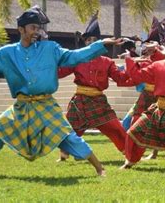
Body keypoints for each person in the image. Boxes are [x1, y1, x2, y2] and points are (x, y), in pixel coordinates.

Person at [0, 7, 124, 177]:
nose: (37, 31)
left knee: (69, 137)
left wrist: (100, 45)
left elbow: (75, 56)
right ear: (21, 30)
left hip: (46, 105)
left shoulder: (50, 48)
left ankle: (99, 168)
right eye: (33, 28)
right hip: (22, 107)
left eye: (38, 28)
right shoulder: (7, 53)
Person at [57, 16, 134, 161]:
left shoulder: (107, 62)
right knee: (70, 128)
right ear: (85, 42)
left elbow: (120, 78)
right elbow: (60, 72)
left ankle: (130, 154)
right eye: (88, 40)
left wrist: (130, 63)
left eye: (94, 40)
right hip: (79, 100)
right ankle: (63, 155)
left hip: (98, 101)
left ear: (101, 44)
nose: (91, 43)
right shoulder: (77, 59)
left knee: (115, 127)